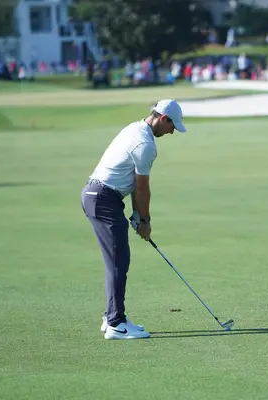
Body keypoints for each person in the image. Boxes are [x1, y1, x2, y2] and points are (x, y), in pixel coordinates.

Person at [81, 99, 187, 340]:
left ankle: (111, 317)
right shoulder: (146, 143)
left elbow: (132, 183)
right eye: (172, 126)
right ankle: (116, 323)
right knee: (119, 259)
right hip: (103, 198)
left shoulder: (134, 128)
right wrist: (145, 221)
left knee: (116, 259)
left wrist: (137, 216)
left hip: (98, 196)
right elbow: (142, 189)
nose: (172, 132)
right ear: (163, 118)